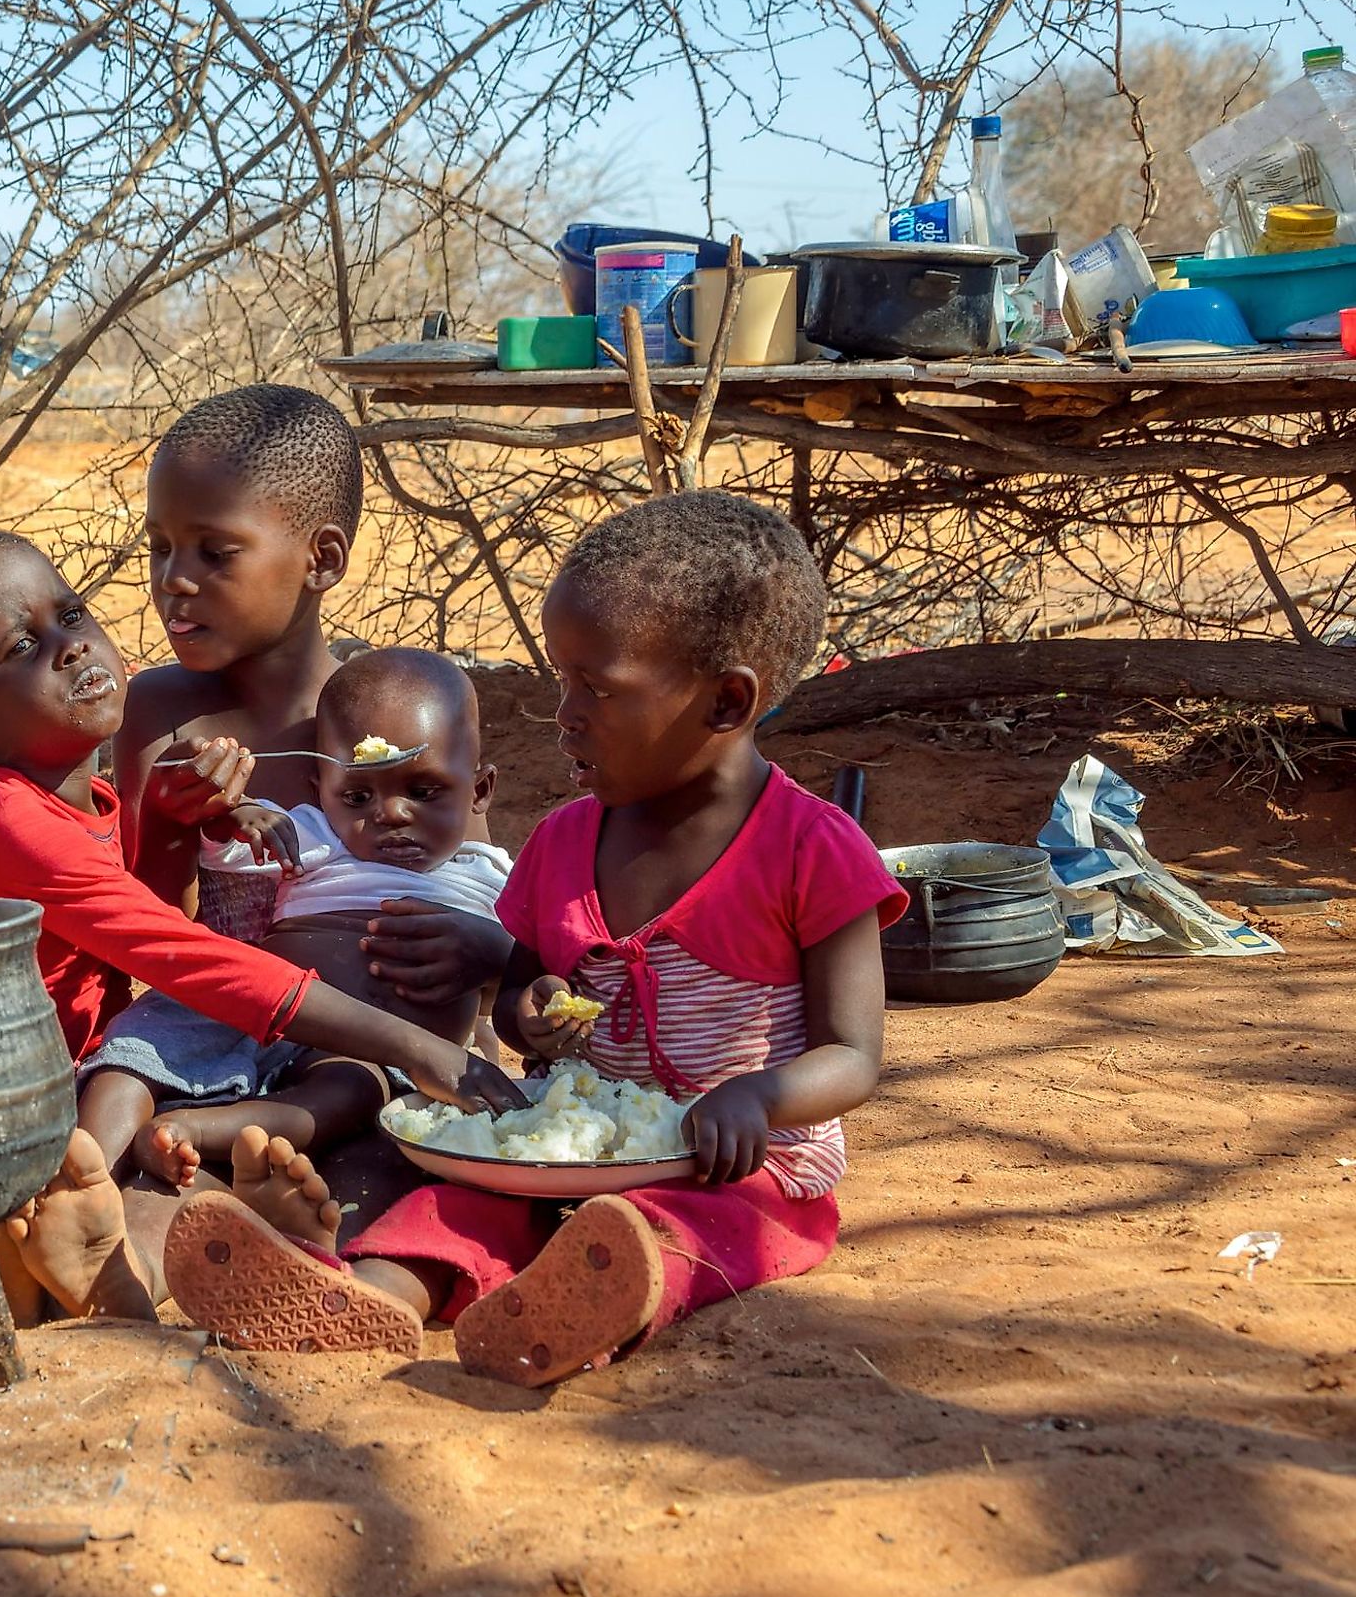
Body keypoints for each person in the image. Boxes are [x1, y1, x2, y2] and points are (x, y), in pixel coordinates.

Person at [166, 491, 906, 1381]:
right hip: (565, 1154)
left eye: (595, 687)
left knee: (667, 1233)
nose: (564, 712)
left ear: (726, 702)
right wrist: (533, 1014)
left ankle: (582, 1305)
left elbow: (853, 1056)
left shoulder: (812, 848)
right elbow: (520, 995)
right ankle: (372, 1296)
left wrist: (757, 1099)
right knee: (462, 1199)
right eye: (562, 678)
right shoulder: (563, 840)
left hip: (737, 1172)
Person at [0, 530, 522, 1323]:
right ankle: (66, 1211)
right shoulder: (8, 825)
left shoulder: (77, 804)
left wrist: (174, 827)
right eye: (26, 646)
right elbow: (186, 958)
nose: (73, 649)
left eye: (72, 615)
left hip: (16, 1089)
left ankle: (98, 1257)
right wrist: (419, 1047)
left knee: (194, 1137)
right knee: (144, 1063)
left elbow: (134, 930)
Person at [116, 384, 495, 1003]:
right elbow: (153, 934)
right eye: (160, 547)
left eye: (215, 553)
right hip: (217, 1035)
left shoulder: (397, 709)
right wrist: (172, 822)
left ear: (321, 558)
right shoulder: (160, 716)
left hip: (398, 1046)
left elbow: (473, 889)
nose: (173, 579)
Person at [78, 647, 512, 1187]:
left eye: (424, 792)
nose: (390, 813)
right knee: (140, 1044)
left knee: (350, 1095)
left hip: (366, 1051)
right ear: (319, 792)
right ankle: (82, 1180)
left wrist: (498, 957)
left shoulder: (493, 876)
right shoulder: (317, 834)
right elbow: (224, 846)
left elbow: (518, 972)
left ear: (480, 790)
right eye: (356, 794)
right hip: (256, 1011)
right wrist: (236, 815)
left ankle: (190, 1131)